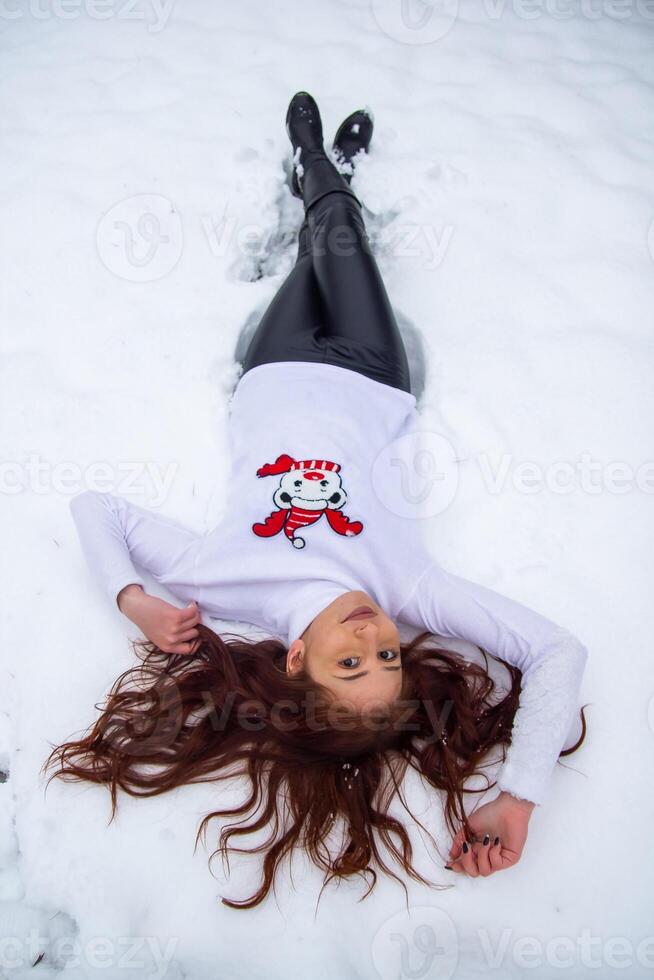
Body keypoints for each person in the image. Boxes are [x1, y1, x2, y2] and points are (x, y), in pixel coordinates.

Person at [44, 92, 589, 910]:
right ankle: (325, 167)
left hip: (274, 368)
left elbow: (97, 508)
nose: (374, 638)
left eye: (350, 662)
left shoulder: (222, 581)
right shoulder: (408, 590)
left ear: (297, 659)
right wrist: (518, 796)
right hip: (373, 368)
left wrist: (134, 600)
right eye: (388, 659)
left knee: (317, 252)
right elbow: (557, 653)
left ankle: (319, 168)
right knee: (339, 233)